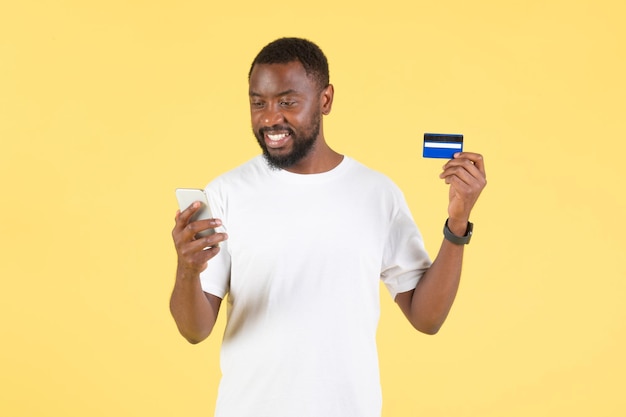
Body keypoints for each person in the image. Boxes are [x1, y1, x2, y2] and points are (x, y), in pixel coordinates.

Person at [170, 37, 486, 417]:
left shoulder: (377, 194)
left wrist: (458, 222)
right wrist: (187, 269)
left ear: (325, 100)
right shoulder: (225, 193)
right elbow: (194, 330)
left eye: (287, 102)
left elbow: (427, 318)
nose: (270, 118)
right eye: (258, 103)